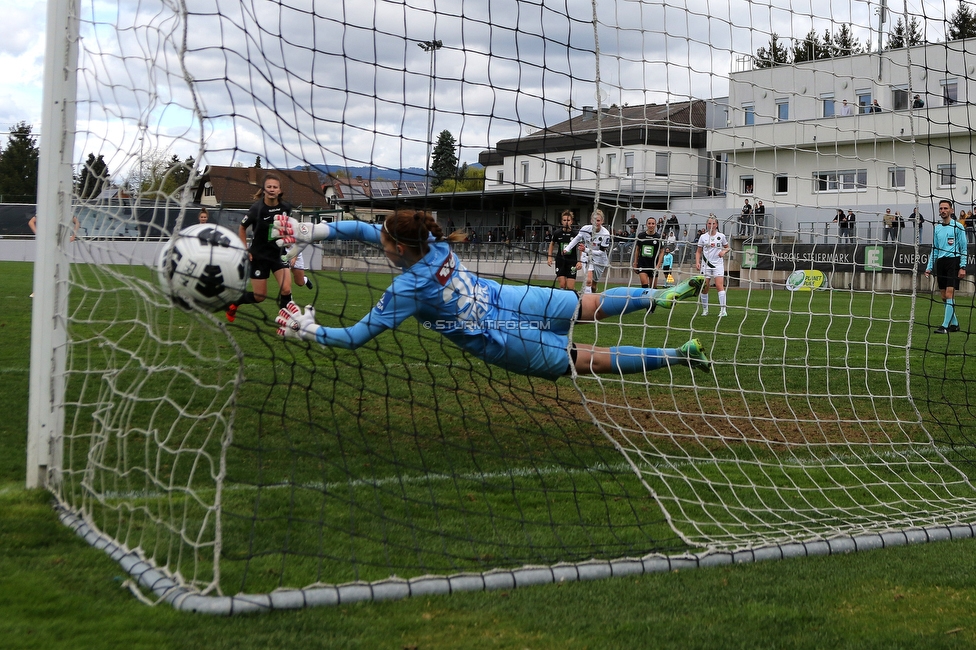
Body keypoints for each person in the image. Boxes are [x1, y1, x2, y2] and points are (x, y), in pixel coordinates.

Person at [272, 210, 711, 379]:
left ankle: (678, 354)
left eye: (384, 241)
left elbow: (353, 337)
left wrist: (304, 328)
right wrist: (313, 230)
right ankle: (659, 298)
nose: (376, 241)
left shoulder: (408, 286)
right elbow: (371, 230)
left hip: (501, 335)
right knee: (587, 303)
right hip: (509, 297)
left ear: (399, 250)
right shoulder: (434, 241)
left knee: (591, 357)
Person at [225, 173, 293, 322]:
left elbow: (289, 229)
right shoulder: (257, 209)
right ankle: (234, 302)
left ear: (280, 190)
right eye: (269, 186)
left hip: (278, 254)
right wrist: (245, 249)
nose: (272, 189)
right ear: (263, 190)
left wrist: (292, 251)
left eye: (275, 187)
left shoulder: (286, 208)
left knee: (286, 288)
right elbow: (242, 228)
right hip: (259, 256)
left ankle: (286, 321)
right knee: (259, 296)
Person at [925, 199, 968, 334]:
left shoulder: (958, 226)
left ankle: (945, 326)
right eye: (941, 209)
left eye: (945, 208)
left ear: (951, 210)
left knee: (949, 294)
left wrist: (963, 266)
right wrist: (929, 267)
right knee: (944, 296)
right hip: (941, 263)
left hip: (953, 262)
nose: (943, 211)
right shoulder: (937, 228)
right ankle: (954, 324)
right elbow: (935, 249)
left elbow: (964, 248)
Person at [28, 213, 80, 298]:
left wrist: (73, 236)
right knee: (48, 266)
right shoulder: (49, 211)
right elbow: (31, 222)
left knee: (52, 266)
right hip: (51, 243)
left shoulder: (63, 211)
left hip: (57, 243)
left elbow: (76, 222)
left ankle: (48, 289)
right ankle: (45, 289)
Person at [563, 209, 612, 294]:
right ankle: (587, 303)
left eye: (598, 220)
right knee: (588, 281)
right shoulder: (585, 229)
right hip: (587, 258)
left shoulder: (606, 234)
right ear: (591, 220)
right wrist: (567, 248)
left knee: (593, 285)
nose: (596, 222)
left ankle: (592, 294)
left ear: (602, 221)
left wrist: (585, 249)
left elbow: (601, 252)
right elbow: (577, 238)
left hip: (600, 260)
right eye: (594, 220)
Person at [695, 214, 731, 317]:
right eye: (709, 223)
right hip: (705, 265)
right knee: (705, 287)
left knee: (720, 286)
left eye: (713, 223)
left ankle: (723, 310)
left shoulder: (721, 236)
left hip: (718, 265)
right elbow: (698, 251)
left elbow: (728, 247)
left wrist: (724, 252)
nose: (711, 225)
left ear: (717, 225)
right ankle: (705, 310)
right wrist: (697, 262)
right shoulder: (703, 237)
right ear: (707, 225)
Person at [547, 209, 578, 291]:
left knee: (570, 287)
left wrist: (580, 261)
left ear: (571, 221)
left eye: (568, 220)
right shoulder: (557, 233)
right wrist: (549, 257)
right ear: (561, 221)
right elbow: (552, 244)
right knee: (562, 285)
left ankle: (574, 301)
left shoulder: (575, 234)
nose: (566, 222)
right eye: (564, 220)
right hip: (560, 261)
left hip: (572, 261)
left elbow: (581, 247)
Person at [633, 217, 663, 289]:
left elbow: (662, 251)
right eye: (649, 223)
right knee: (644, 285)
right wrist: (635, 262)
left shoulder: (658, 237)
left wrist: (658, 265)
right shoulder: (641, 236)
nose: (651, 225)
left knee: (653, 287)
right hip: (642, 264)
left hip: (653, 265)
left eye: (653, 223)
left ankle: (652, 300)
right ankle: (644, 300)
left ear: (655, 225)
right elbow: (637, 249)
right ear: (646, 224)